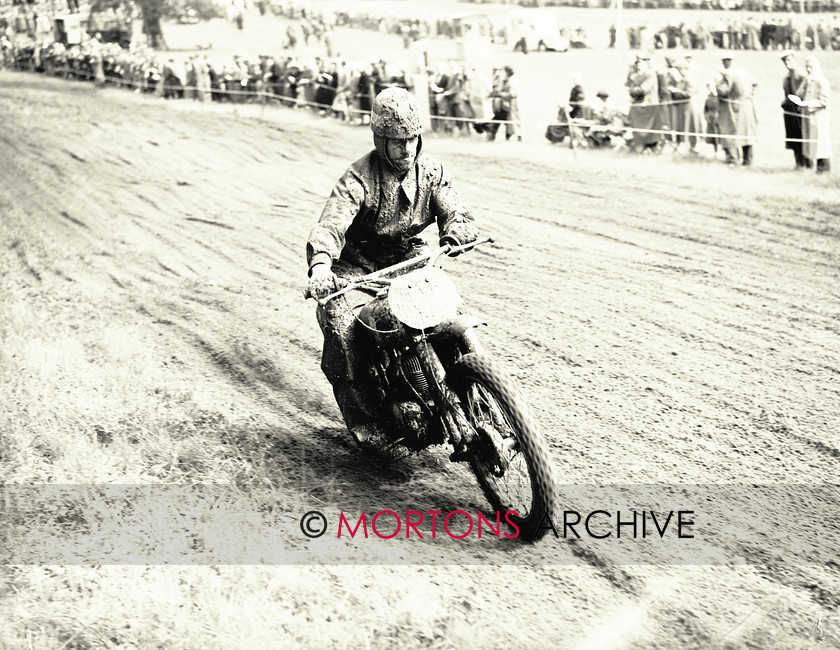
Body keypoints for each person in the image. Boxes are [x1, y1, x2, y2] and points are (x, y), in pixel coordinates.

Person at [305, 87, 480, 451]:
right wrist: (322, 268)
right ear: (380, 139)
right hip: (356, 266)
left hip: (410, 257)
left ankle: (479, 394)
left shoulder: (431, 170)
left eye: (413, 139)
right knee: (343, 329)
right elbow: (330, 226)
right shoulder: (358, 179)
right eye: (398, 141)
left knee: (451, 313)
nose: (407, 149)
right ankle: (370, 420)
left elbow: (454, 207)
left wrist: (459, 228)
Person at [715, 53, 758, 166]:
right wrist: (750, 95)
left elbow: (723, 91)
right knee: (747, 133)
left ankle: (732, 159)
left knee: (728, 130)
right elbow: (755, 82)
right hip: (746, 105)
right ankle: (748, 160)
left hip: (732, 107)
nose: (723, 64)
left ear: (727, 62)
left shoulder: (727, 74)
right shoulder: (743, 71)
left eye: (724, 61)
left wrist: (718, 81)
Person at [800, 55, 831, 173]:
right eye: (807, 67)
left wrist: (808, 104)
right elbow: (800, 94)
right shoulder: (808, 81)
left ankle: (824, 168)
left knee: (821, 142)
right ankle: (813, 167)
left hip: (819, 116)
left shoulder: (821, 81)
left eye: (811, 67)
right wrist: (804, 84)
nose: (808, 69)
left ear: (816, 67)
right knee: (811, 141)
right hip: (809, 116)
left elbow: (824, 101)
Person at [780, 50, 807, 169]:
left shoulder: (802, 75)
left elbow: (803, 93)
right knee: (793, 136)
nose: (787, 63)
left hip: (799, 111)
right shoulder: (786, 77)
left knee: (802, 136)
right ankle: (798, 162)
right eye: (785, 61)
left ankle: (806, 163)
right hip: (789, 111)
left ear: (794, 60)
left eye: (789, 60)